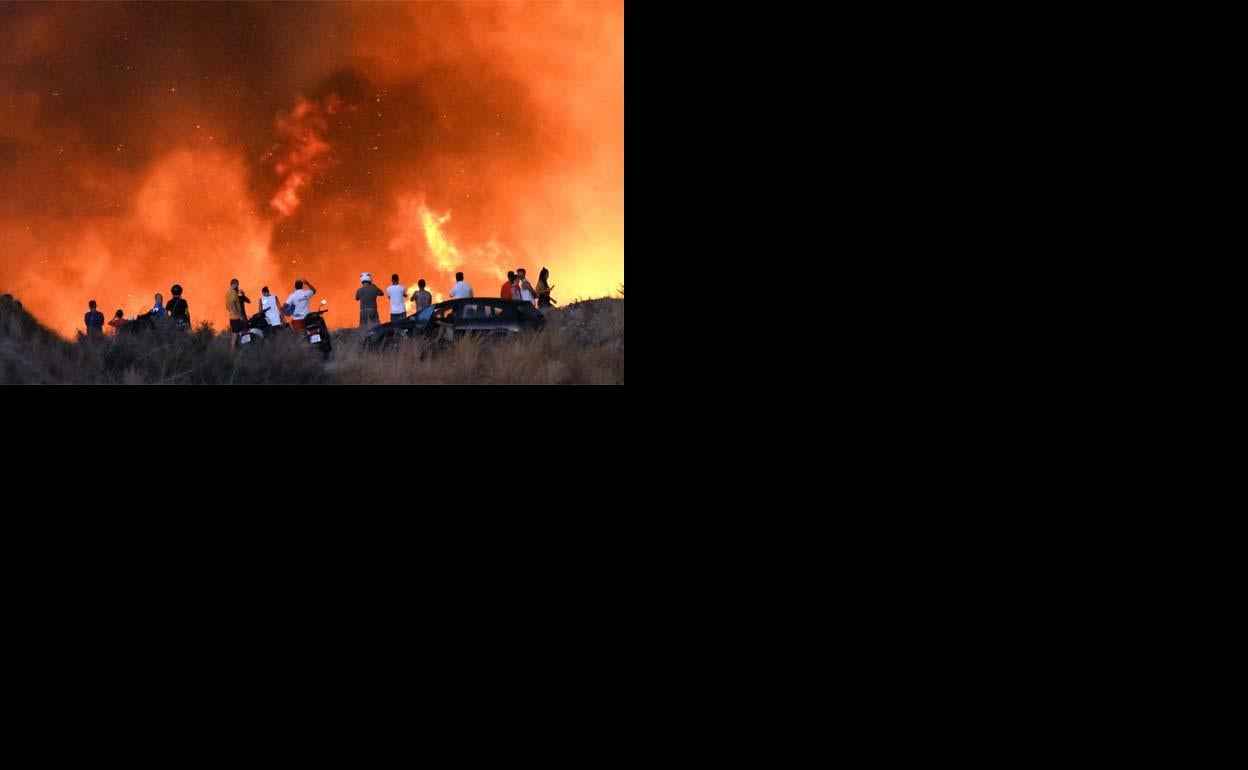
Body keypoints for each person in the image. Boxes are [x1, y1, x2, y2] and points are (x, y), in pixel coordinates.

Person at [226, 278, 251, 349]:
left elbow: (227, 306)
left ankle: (233, 351)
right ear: (235, 284)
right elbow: (232, 304)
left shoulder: (228, 293)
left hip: (232, 318)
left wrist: (243, 295)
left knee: (235, 335)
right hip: (238, 318)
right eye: (237, 285)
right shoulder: (234, 293)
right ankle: (246, 349)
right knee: (245, 331)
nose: (238, 287)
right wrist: (239, 315)